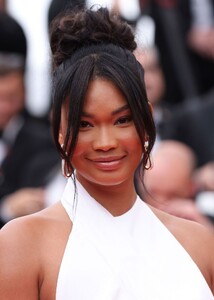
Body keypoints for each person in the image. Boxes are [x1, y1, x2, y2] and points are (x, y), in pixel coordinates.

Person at [0, 7, 214, 299]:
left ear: (147, 121)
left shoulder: (199, 244)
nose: (105, 141)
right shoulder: (21, 245)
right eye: (85, 124)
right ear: (60, 132)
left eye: (122, 120)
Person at [0, 12, 59, 227]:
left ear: (24, 92)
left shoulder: (41, 141)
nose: (3, 107)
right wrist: (5, 208)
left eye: (10, 97)